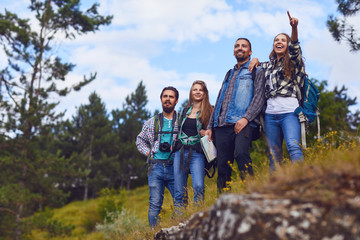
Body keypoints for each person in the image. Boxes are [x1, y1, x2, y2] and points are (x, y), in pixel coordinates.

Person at [205, 38, 265, 193]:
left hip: (243, 123)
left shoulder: (256, 70)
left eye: (244, 46)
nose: (240, 48)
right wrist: (210, 126)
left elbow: (259, 97)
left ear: (250, 52)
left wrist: (246, 118)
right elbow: (219, 100)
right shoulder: (228, 73)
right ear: (233, 51)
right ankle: (224, 202)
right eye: (237, 46)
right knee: (223, 165)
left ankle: (252, 194)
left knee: (241, 154)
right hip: (221, 125)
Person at [250, 11, 305, 171]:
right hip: (270, 115)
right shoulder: (267, 66)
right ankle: (275, 186)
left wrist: (294, 29)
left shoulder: (295, 62)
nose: (278, 42)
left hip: (289, 112)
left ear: (287, 45)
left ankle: (301, 179)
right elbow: (257, 66)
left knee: (293, 147)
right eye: (276, 40)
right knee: (274, 153)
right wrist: (255, 59)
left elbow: (295, 48)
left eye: (283, 40)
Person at [136, 86, 179, 227]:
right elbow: (139, 140)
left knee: (180, 201)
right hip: (156, 167)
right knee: (155, 204)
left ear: (176, 101)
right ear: (161, 99)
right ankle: (155, 233)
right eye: (165, 96)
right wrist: (148, 152)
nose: (168, 99)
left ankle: (178, 229)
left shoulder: (181, 121)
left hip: (176, 167)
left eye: (171, 97)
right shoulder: (151, 122)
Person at [173, 80, 213, 212]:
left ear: (205, 93)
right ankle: (179, 218)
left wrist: (206, 133)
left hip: (197, 153)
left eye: (200, 90)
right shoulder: (185, 110)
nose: (197, 92)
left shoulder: (209, 110)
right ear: (191, 92)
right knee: (179, 189)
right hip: (180, 152)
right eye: (195, 89)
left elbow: (212, 129)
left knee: (198, 186)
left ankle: (197, 216)